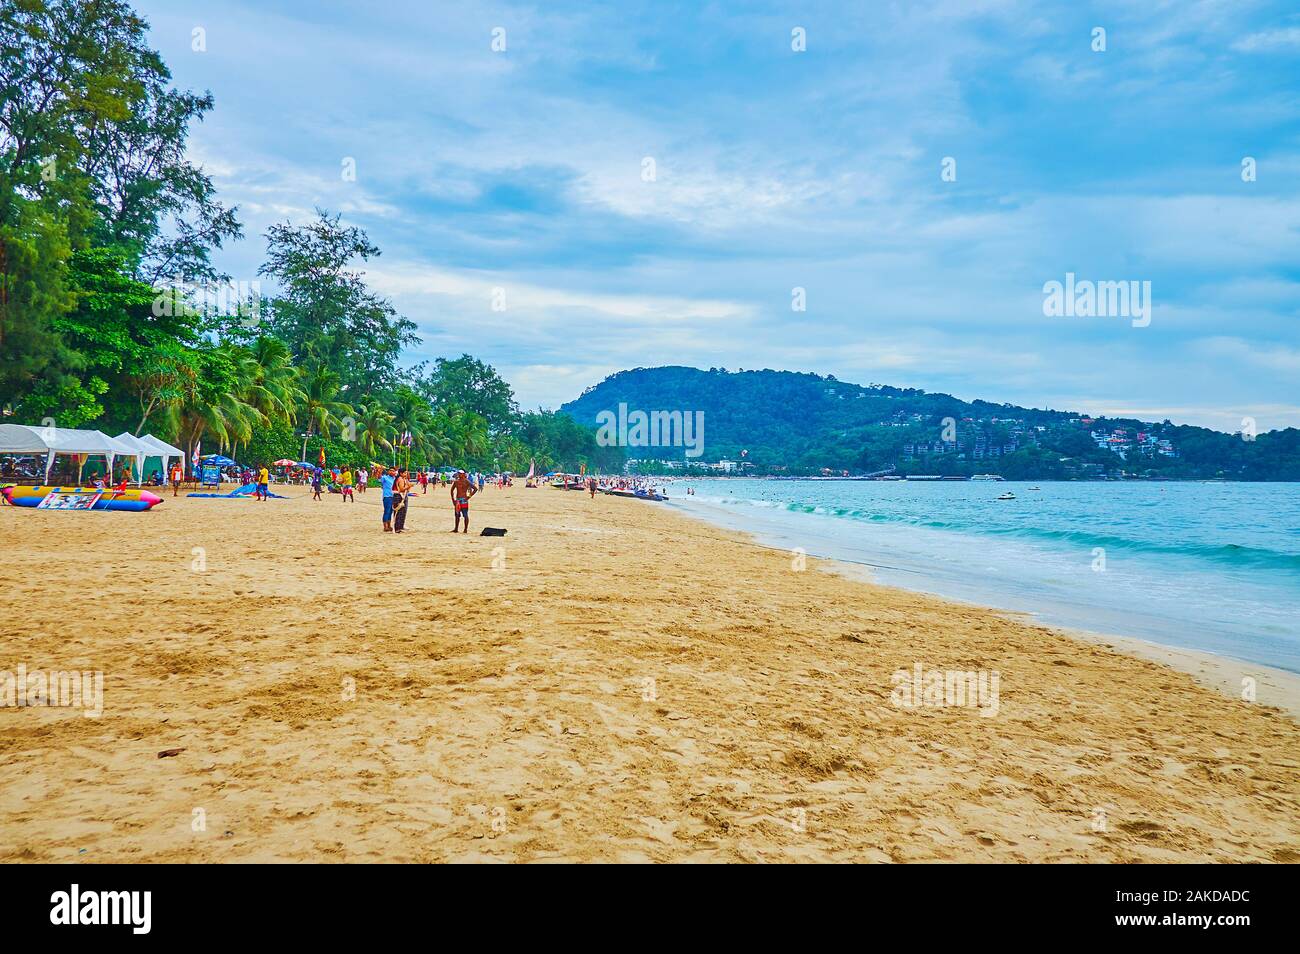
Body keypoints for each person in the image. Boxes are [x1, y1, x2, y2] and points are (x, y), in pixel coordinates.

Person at [450, 469, 476, 534]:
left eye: (461, 473)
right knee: (457, 515)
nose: (459, 475)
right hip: (458, 500)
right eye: (459, 473)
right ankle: (456, 528)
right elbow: (451, 490)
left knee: (465, 515)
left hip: (463, 500)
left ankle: (465, 529)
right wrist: (453, 499)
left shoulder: (466, 481)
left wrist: (469, 496)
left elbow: (475, 489)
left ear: (464, 474)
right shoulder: (456, 482)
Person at [380, 466, 396, 532]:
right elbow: (379, 478)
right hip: (387, 496)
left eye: (393, 471)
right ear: (388, 471)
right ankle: (385, 526)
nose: (392, 472)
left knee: (391, 512)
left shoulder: (395, 479)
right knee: (386, 511)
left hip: (394, 496)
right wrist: (379, 471)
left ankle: (389, 525)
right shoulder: (385, 478)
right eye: (390, 470)